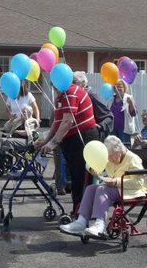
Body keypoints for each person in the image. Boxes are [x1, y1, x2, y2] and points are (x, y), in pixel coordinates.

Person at [59, 135, 147, 237]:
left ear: (119, 150)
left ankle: (99, 224)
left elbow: (138, 183)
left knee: (102, 189)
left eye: (111, 156)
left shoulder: (133, 159)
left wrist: (116, 181)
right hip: (115, 188)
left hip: (132, 190)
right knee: (91, 188)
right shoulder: (111, 155)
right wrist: (93, 169)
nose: (109, 159)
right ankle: (81, 222)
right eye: (108, 156)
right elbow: (90, 164)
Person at [35, 81, 99, 213]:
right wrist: (46, 141)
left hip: (82, 137)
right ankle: (79, 209)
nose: (54, 89)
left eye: (54, 86)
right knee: (74, 175)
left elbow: (68, 121)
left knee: (80, 176)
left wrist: (53, 143)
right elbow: (57, 122)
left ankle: (81, 211)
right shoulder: (62, 96)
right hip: (71, 140)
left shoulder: (71, 92)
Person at [0, 105, 40, 172]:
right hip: (14, 140)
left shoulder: (33, 121)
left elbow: (28, 132)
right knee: (1, 140)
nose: (22, 113)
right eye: (22, 112)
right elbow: (6, 128)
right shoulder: (19, 121)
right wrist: (11, 120)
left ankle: (16, 160)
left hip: (27, 141)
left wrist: (18, 130)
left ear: (30, 113)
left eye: (24, 112)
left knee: (9, 141)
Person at [73, 71, 114, 142]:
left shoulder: (91, 95)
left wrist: (100, 126)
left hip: (91, 138)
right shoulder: (73, 96)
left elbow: (108, 116)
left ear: (83, 83)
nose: (72, 84)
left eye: (74, 82)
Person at [110, 79, 137, 147]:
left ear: (124, 88)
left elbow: (134, 114)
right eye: (116, 86)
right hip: (113, 128)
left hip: (124, 129)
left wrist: (130, 103)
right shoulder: (111, 98)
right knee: (114, 148)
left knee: (125, 148)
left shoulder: (128, 98)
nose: (118, 88)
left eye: (120, 86)